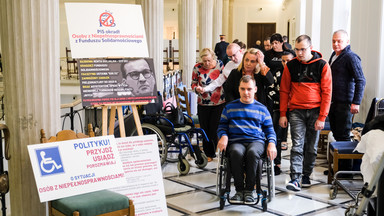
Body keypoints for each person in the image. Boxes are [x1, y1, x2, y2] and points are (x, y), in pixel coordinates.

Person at [279, 35, 332, 191]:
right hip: (296, 111)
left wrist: (322, 117)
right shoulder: (291, 65)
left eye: (303, 49)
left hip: (316, 111)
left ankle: (306, 175)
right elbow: (284, 90)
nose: (299, 53)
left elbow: (327, 93)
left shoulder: (322, 65)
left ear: (311, 47)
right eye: (297, 49)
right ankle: (295, 178)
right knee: (297, 145)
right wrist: (283, 113)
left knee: (311, 147)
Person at [217, 75, 277, 204]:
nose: (246, 92)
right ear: (238, 89)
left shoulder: (262, 109)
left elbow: (270, 130)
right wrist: (223, 136)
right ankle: (239, 190)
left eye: (249, 89)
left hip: (256, 141)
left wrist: (272, 143)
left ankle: (249, 190)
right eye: (243, 89)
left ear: (255, 89)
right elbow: (222, 127)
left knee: (252, 153)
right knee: (236, 153)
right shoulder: (229, 107)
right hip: (236, 141)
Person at [328, 30, 366, 173]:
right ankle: (338, 168)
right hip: (334, 102)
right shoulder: (334, 55)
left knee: (343, 136)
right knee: (336, 134)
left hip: (345, 103)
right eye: (333, 41)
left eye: (339, 41)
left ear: (347, 42)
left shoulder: (350, 57)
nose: (336, 43)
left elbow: (361, 80)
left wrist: (356, 102)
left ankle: (346, 172)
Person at [192, 48, 226, 162]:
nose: (206, 63)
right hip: (203, 103)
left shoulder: (220, 65)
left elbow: (225, 80)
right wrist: (196, 89)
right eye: (204, 61)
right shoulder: (197, 67)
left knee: (214, 129)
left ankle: (213, 151)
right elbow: (193, 83)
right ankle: (208, 154)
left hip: (218, 102)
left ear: (213, 58)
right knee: (204, 129)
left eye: (209, 60)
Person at [266, 50, 294, 175]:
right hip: (278, 107)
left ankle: (297, 166)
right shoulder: (277, 73)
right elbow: (271, 90)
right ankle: (276, 163)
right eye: (283, 61)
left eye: (288, 60)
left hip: (295, 108)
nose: (285, 63)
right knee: (275, 135)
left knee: (296, 137)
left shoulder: (297, 73)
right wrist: (283, 101)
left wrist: (290, 102)